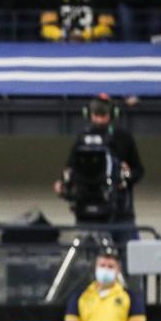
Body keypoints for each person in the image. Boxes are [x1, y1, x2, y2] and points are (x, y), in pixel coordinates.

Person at [53, 94, 144, 245]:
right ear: (89, 114)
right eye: (96, 115)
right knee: (87, 263)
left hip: (120, 213)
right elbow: (70, 169)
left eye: (103, 115)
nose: (99, 120)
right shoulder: (82, 138)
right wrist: (63, 184)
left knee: (130, 259)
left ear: (112, 114)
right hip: (88, 212)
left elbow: (138, 170)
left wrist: (126, 177)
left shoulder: (123, 137)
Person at [41, 0, 116, 41]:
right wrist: (63, 35)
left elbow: (107, 27)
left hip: (94, 45)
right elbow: (46, 27)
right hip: (60, 46)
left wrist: (84, 36)